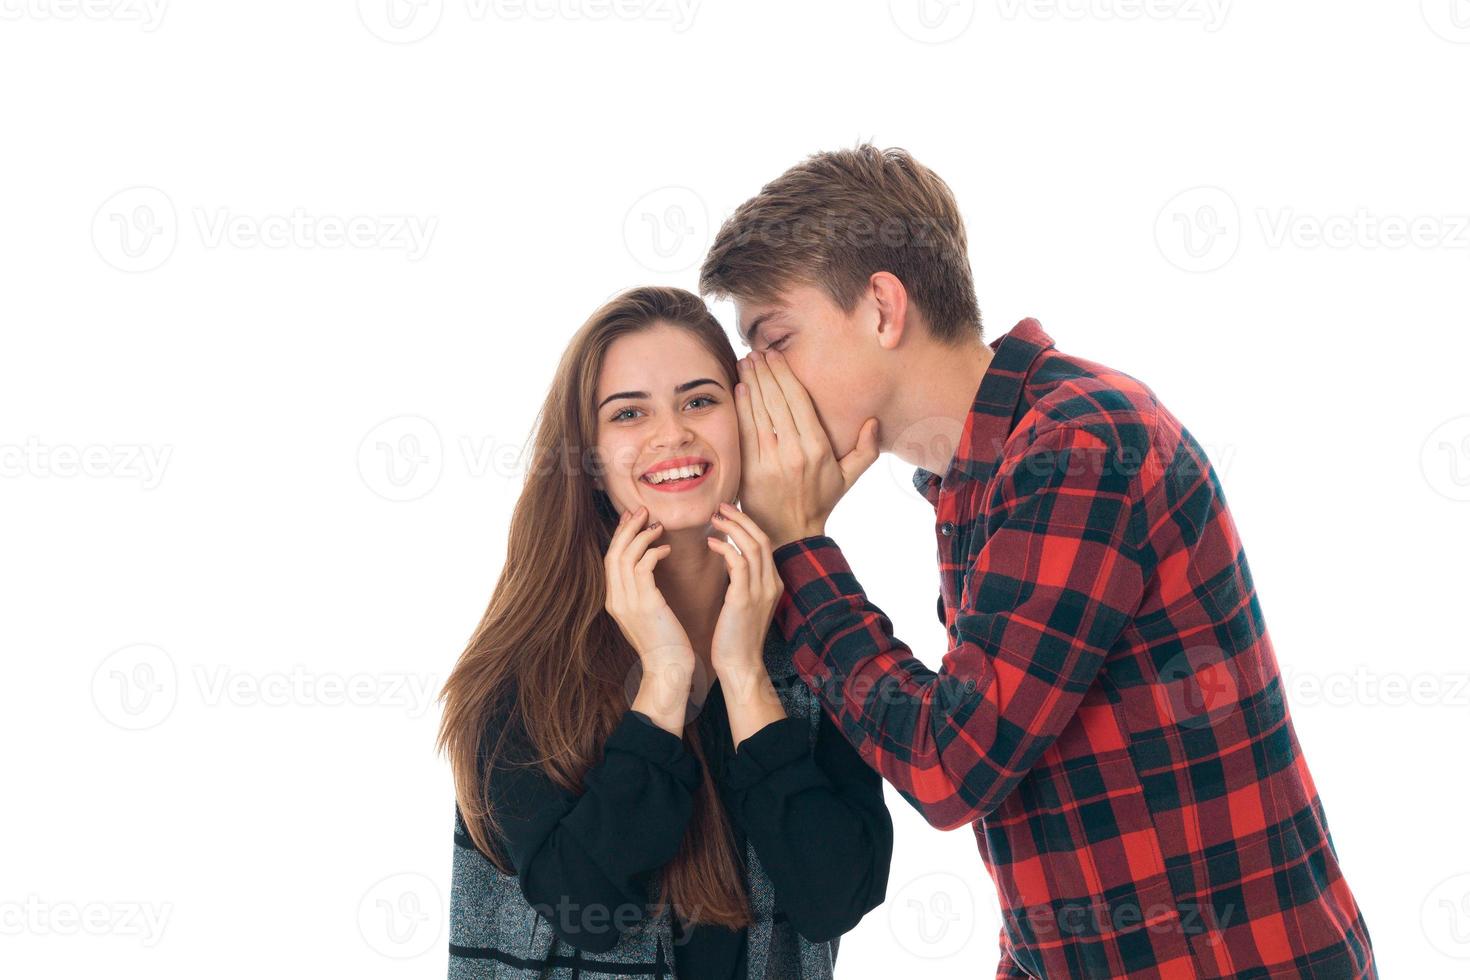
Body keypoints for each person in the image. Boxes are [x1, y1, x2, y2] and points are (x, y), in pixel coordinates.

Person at [698, 145, 1378, 978]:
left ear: (881, 308)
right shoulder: (977, 480)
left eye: (776, 341)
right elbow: (1051, 797)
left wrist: (802, 548)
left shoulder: (1077, 446)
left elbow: (950, 765)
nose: (756, 385)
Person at [437, 285, 892, 979]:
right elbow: (585, 899)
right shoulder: (525, 663)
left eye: (699, 400)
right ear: (588, 456)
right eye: (628, 413)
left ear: (745, 419)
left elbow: (836, 895)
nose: (671, 433)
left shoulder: (817, 642)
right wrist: (665, 681)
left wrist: (742, 675)